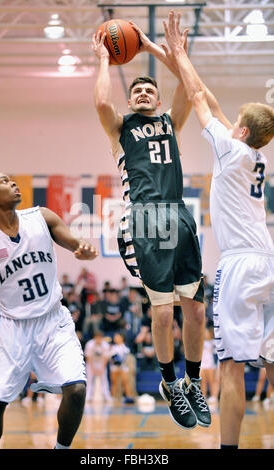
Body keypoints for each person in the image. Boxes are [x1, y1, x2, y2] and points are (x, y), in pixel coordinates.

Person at [162, 11, 274, 448]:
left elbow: (196, 95)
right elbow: (204, 93)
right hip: (268, 262)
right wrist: (172, 54)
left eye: (234, 121)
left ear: (240, 130)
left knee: (231, 367)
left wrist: (179, 59)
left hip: (241, 266)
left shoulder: (229, 150)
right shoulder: (254, 155)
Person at [92, 22, 211, 430]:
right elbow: (101, 103)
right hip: (145, 218)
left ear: (158, 100)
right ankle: (168, 382)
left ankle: (192, 382)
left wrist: (148, 47)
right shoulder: (120, 128)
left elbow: (185, 79)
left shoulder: (170, 124)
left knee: (195, 311)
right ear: (130, 99)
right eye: (137, 91)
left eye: (149, 91)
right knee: (162, 316)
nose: (143, 93)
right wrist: (105, 60)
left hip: (178, 214)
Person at [0, 171, 98, 450]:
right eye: (4, 182)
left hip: (53, 320)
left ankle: (61, 448)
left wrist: (83, 248)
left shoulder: (41, 217)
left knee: (77, 390)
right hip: (12, 327)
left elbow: (73, 241)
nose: (13, 183)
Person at [84, 330, 112, 403]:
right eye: (97, 338)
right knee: (89, 380)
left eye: (100, 338)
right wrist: (92, 368)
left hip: (101, 363)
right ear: (95, 338)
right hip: (91, 363)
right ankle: (88, 396)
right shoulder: (90, 344)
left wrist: (102, 368)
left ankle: (106, 396)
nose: (99, 339)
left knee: (104, 379)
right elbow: (88, 357)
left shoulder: (105, 344)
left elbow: (106, 357)